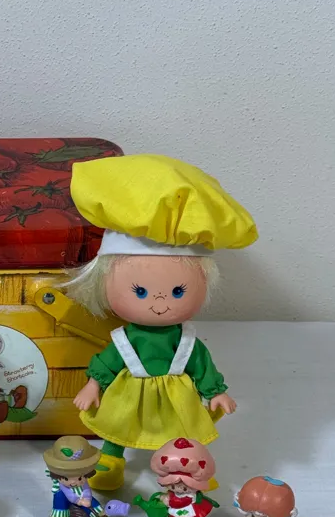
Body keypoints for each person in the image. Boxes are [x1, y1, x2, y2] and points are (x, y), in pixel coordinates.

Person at [62, 155, 257, 490]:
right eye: (140, 292)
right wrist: (93, 385)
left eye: (178, 291)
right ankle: (111, 460)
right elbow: (109, 361)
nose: (160, 304)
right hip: (129, 393)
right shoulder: (127, 338)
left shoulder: (186, 341)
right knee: (118, 426)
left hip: (175, 397)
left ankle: (188, 468)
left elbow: (201, 365)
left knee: (180, 431)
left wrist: (216, 392)